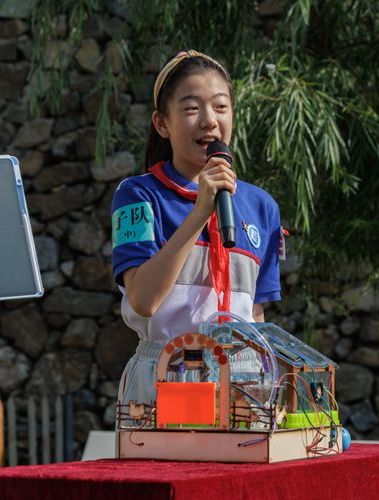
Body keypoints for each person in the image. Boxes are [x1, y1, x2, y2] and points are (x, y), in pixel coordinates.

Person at [111, 50, 283, 411]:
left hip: (242, 384)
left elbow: (255, 315)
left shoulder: (261, 206)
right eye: (191, 108)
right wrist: (200, 212)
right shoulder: (138, 196)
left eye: (221, 107)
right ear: (162, 123)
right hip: (165, 375)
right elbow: (143, 300)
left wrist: (265, 385)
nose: (209, 120)